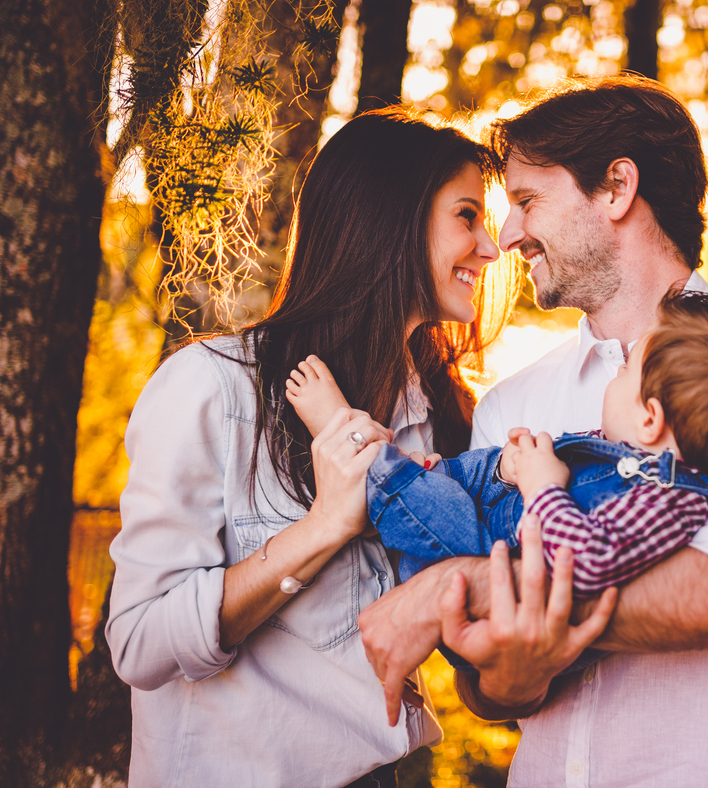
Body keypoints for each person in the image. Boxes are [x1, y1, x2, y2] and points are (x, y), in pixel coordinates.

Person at [358, 76, 708, 786]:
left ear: (617, 187)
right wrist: (511, 670)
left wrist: (478, 583)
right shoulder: (511, 408)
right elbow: (485, 687)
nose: (506, 237)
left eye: (528, 201)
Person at [104, 108, 536, 787]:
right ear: (390, 219)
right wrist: (325, 526)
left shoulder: (444, 418)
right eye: (466, 216)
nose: (490, 247)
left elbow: (475, 640)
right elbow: (139, 644)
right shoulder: (214, 389)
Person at [284, 290, 708, 678]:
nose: (615, 378)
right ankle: (409, 473)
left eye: (624, 374)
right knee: (461, 476)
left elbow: (590, 561)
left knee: (418, 494)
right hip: (491, 518)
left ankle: (351, 438)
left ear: (651, 419)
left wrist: (541, 488)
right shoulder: (628, 456)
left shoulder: (670, 501)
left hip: (476, 550)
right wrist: (520, 464)